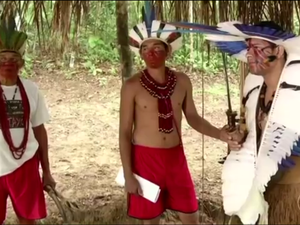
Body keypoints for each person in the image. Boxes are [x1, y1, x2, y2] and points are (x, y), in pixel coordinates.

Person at [169, 20, 300, 224]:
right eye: (248, 47)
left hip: (293, 190)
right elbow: (254, 132)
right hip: (257, 186)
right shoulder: (255, 90)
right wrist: (240, 137)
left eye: (257, 48)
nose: (249, 54)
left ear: (280, 51)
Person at [118, 6, 239, 225]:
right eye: (145, 48)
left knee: (190, 215)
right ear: (140, 53)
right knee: (150, 219)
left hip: (175, 157)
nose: (151, 53)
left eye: (157, 47)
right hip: (145, 160)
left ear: (168, 51)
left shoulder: (182, 81)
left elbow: (193, 117)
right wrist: (128, 174)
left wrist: (219, 134)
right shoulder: (132, 86)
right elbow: (125, 132)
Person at [0, 16, 55, 225]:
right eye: (3, 58)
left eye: (13, 59)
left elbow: (39, 130)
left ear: (21, 63)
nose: (8, 64)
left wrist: (47, 172)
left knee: (27, 219)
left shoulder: (31, 89)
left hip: (25, 164)